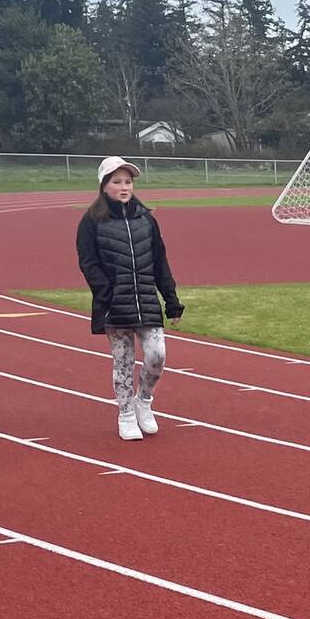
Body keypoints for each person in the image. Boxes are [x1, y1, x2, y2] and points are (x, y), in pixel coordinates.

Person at [77, 156, 184, 440]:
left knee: (157, 355)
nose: (124, 187)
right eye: (117, 182)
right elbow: (88, 263)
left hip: (147, 300)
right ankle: (125, 413)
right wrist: (106, 292)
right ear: (104, 186)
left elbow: (160, 261)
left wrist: (171, 300)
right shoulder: (91, 221)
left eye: (128, 182)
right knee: (123, 362)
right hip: (115, 306)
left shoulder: (146, 219)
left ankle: (143, 401)